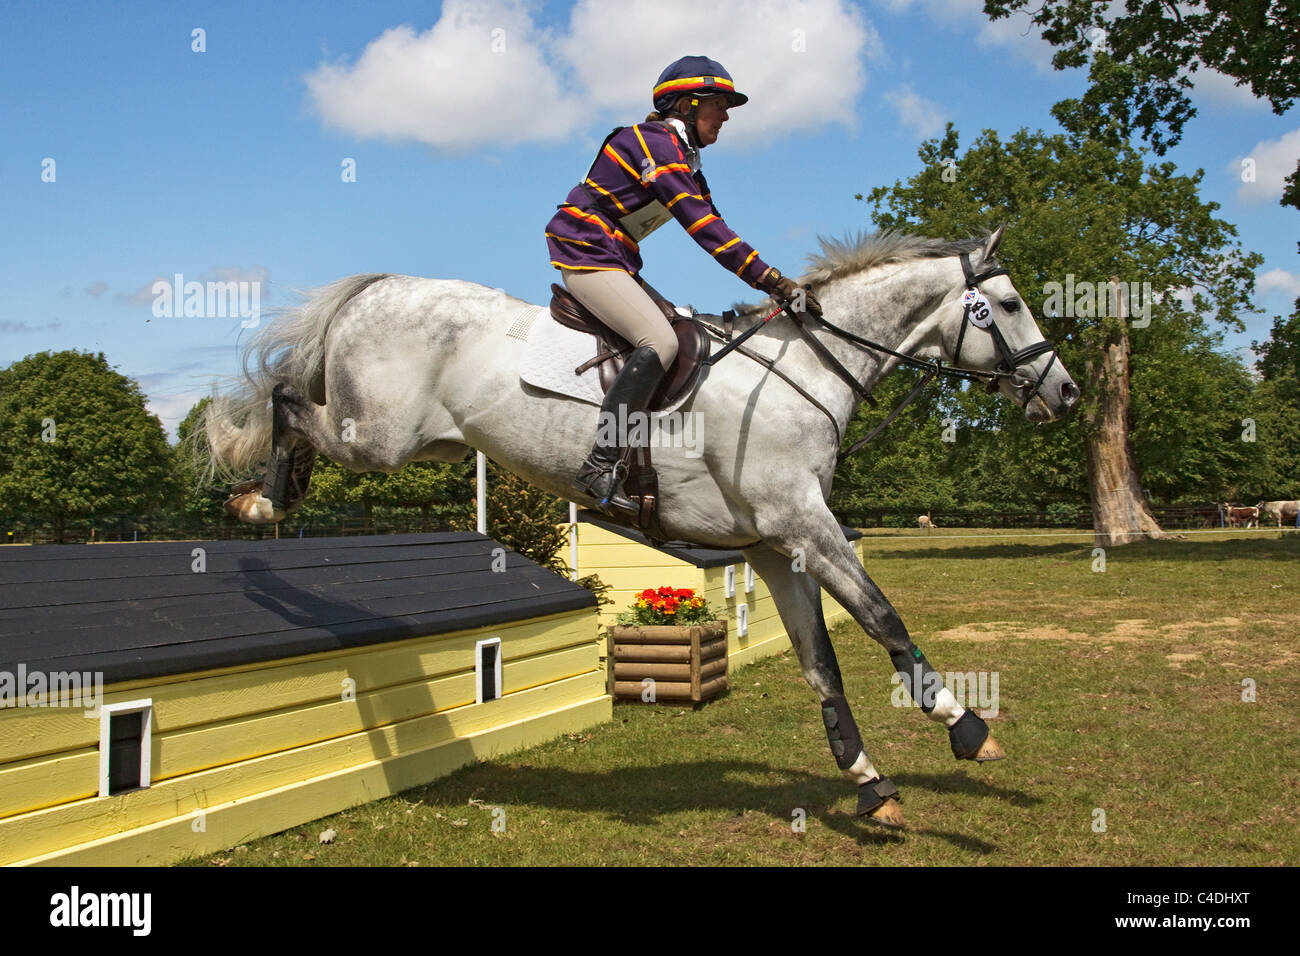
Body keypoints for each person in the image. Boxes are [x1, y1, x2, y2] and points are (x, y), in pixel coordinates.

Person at [546, 54, 819, 517]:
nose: (728, 116)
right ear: (688, 105)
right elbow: (703, 227)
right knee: (660, 341)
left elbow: (717, 222)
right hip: (585, 251)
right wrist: (771, 280)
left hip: (614, 258)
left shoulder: (684, 161)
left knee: (682, 328)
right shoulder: (649, 143)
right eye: (720, 105)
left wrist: (769, 278)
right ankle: (599, 465)